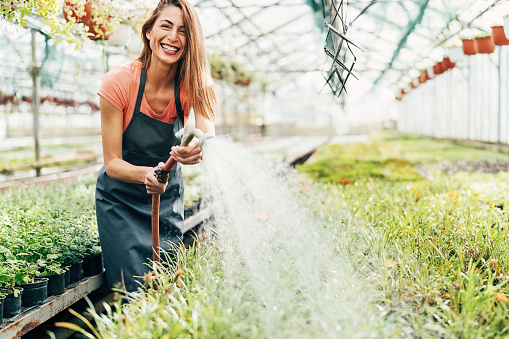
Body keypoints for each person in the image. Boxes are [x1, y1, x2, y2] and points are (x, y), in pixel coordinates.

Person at [95, 0, 217, 292]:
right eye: (166, 26)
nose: (173, 37)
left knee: (165, 289)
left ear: (191, 41)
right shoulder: (119, 82)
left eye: (184, 31)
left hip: (165, 199)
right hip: (120, 200)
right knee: (132, 292)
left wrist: (196, 147)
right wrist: (145, 175)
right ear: (148, 31)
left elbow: (206, 132)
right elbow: (112, 162)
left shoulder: (195, 84)